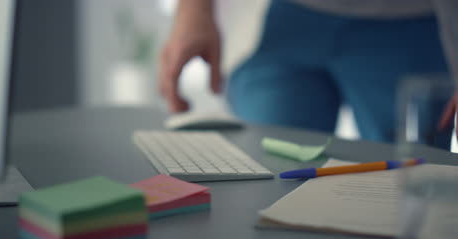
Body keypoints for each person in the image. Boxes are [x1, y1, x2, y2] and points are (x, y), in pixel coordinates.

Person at [159, 0, 458, 147]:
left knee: (413, 184)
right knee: (268, 173)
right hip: (281, 22)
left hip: (412, 22)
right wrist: (194, 12)